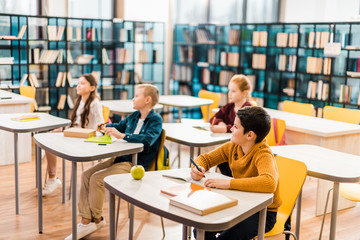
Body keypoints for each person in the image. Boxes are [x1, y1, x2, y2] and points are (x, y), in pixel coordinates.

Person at [64, 84, 163, 240]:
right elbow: (119, 126)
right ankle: (87, 219)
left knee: (97, 179)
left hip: (135, 164)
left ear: (148, 100)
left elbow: (148, 139)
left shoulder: (155, 120)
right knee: (86, 175)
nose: (133, 98)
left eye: (136, 96)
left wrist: (122, 136)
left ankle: (95, 219)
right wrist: (105, 127)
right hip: (120, 157)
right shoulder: (135, 116)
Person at [191, 106, 281, 240]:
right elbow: (205, 159)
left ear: (250, 135)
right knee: (201, 229)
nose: (231, 129)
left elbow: (269, 183)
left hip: (263, 212)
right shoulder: (233, 146)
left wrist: (229, 183)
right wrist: (197, 168)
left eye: (236, 127)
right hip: (241, 204)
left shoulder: (263, 154)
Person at [42, 74, 104, 196]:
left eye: (82, 83)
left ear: (92, 88)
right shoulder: (79, 100)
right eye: (78, 83)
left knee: (49, 144)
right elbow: (75, 123)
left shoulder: (95, 103)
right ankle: (52, 178)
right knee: (48, 137)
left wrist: (100, 128)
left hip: (84, 139)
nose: (78, 86)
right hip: (75, 133)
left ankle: (52, 178)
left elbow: (100, 123)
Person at [209, 74, 253, 176]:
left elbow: (243, 127)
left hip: (243, 150)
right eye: (229, 90)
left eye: (233, 91)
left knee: (227, 161)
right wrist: (221, 124)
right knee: (220, 160)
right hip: (231, 146)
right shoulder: (229, 106)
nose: (229, 94)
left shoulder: (248, 109)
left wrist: (225, 129)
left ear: (244, 93)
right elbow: (214, 118)